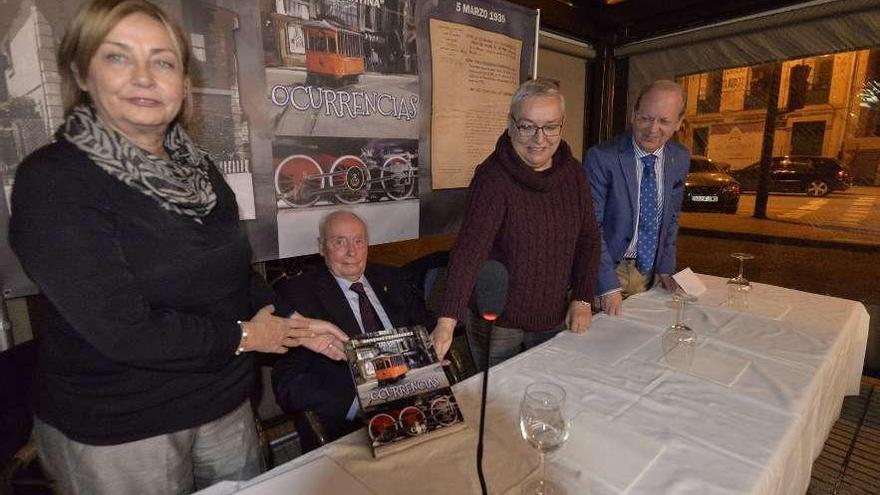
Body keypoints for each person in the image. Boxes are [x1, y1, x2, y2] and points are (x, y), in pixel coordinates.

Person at [8, 1, 347, 493]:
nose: (145, 77)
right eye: (118, 57)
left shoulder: (201, 172)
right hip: (125, 430)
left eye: (164, 61)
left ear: (183, 84)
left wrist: (292, 324)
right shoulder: (55, 181)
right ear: (82, 73)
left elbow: (236, 277)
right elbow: (123, 330)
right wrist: (249, 338)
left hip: (224, 403)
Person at [430, 79, 600, 369]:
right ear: (511, 124)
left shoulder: (574, 174)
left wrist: (583, 298)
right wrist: (446, 322)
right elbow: (470, 251)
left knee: (547, 389)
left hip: (553, 315)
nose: (539, 138)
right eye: (527, 126)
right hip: (498, 323)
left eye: (550, 126)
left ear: (562, 125)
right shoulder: (492, 178)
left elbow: (589, 238)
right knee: (498, 400)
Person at [272, 210, 434, 452]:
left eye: (359, 241)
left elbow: (426, 329)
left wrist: (433, 357)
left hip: (417, 401)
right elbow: (287, 384)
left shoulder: (395, 278)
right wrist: (356, 403)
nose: (352, 252)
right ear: (321, 247)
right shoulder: (297, 296)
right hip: (351, 425)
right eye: (340, 242)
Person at [586, 80, 690, 316]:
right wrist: (607, 284)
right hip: (611, 269)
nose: (653, 129)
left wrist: (666, 267)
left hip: (650, 271)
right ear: (633, 115)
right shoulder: (602, 158)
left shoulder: (680, 158)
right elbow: (592, 227)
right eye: (645, 118)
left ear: (678, 124)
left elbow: (671, 218)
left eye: (664, 121)